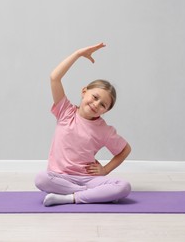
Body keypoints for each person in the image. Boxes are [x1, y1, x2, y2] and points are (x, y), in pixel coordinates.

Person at [34, 43, 131, 207]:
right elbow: (54, 77)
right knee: (41, 179)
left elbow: (125, 150)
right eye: (95, 97)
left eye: (103, 105)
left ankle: (70, 198)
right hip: (59, 177)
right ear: (84, 91)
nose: (96, 104)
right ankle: (92, 195)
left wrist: (105, 171)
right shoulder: (66, 111)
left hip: (88, 179)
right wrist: (78, 54)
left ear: (105, 111)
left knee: (124, 187)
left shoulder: (104, 130)